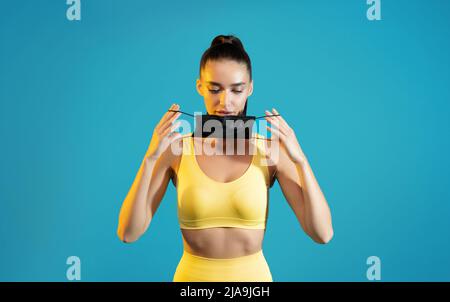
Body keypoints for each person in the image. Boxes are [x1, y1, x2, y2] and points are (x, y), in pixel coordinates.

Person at [116, 34, 334, 282]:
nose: (225, 102)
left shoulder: (269, 151)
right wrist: (150, 158)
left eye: (237, 90)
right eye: (214, 89)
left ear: (250, 88)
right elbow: (128, 233)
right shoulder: (176, 149)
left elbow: (323, 234)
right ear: (200, 86)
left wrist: (301, 161)